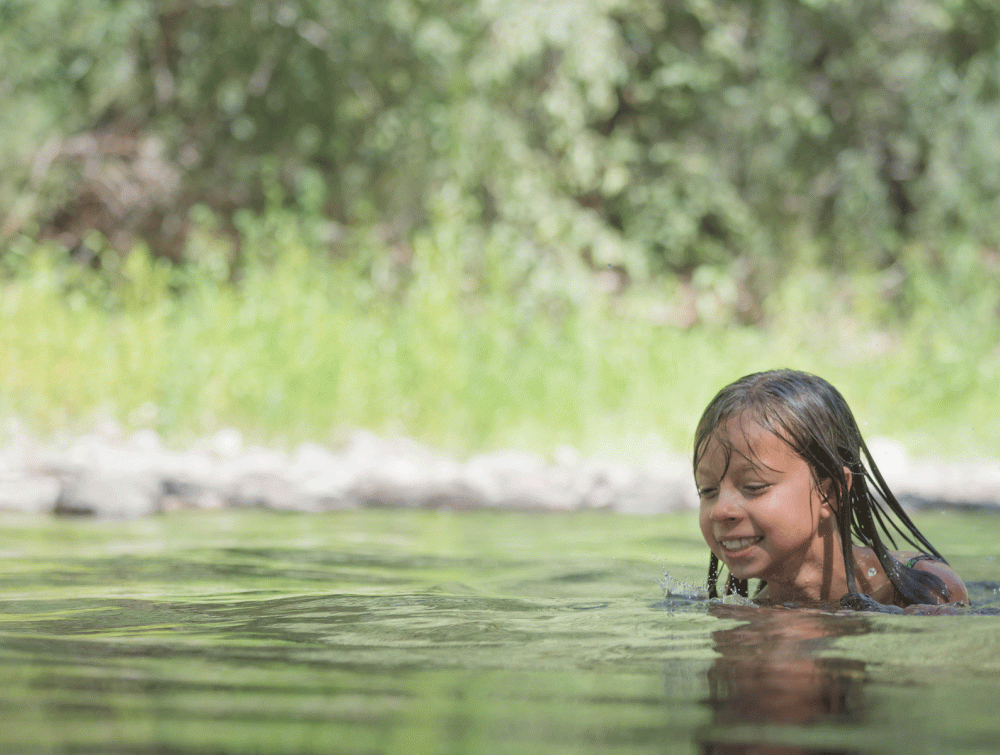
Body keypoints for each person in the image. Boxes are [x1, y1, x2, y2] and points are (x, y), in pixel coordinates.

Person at [694, 369, 968, 611]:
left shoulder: (922, 592)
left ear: (831, 493)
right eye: (707, 491)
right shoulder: (747, 614)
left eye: (753, 487)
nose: (720, 510)